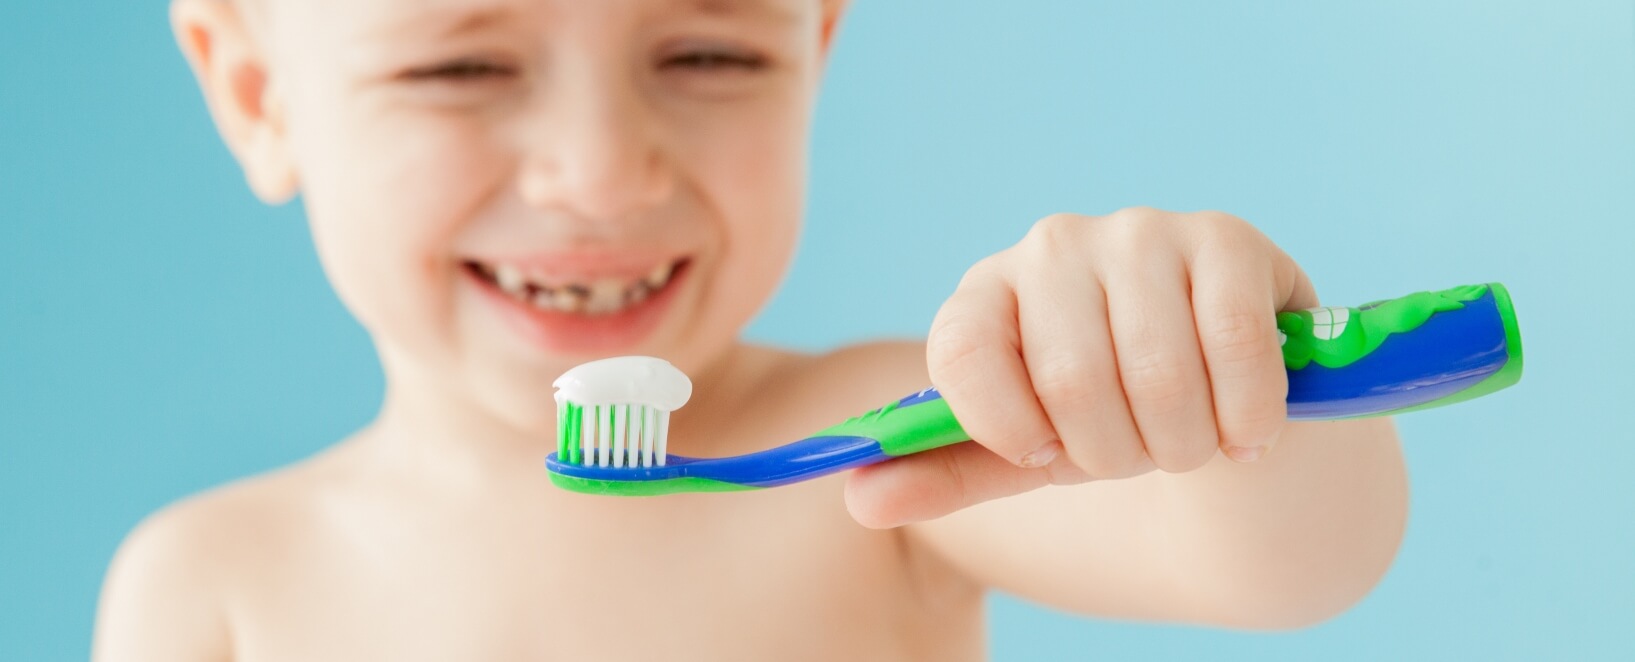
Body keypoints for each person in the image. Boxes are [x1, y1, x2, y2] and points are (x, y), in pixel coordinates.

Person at [93, 0, 1407, 659]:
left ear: (817, 45)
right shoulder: (212, 588)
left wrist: (1214, 353)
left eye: (708, 53)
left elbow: (1292, 565)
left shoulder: (888, 452)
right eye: (463, 67)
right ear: (259, 94)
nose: (603, 172)